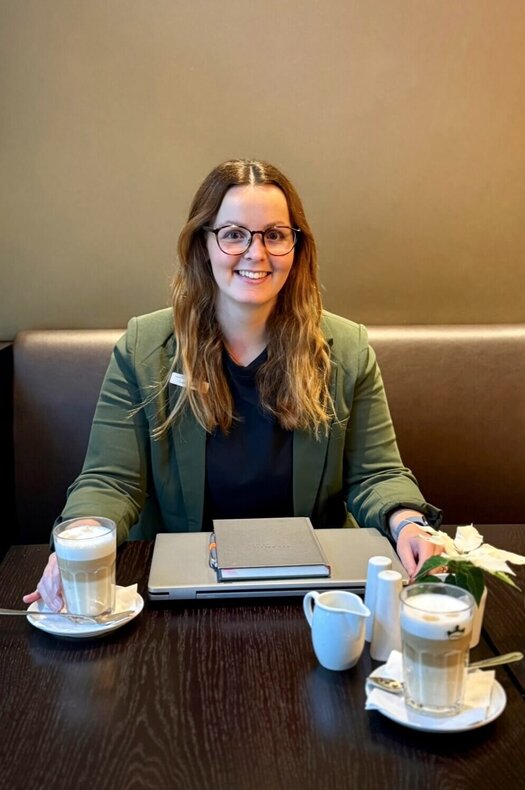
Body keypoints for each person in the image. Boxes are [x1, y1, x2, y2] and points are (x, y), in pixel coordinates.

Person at [24, 158, 443, 612]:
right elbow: (111, 480)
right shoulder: (144, 348)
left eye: (275, 235)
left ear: (296, 247)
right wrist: (78, 545)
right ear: (203, 244)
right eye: (234, 234)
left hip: (317, 594)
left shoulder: (346, 349)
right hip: (184, 591)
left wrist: (408, 525)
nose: (256, 253)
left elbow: (376, 474)